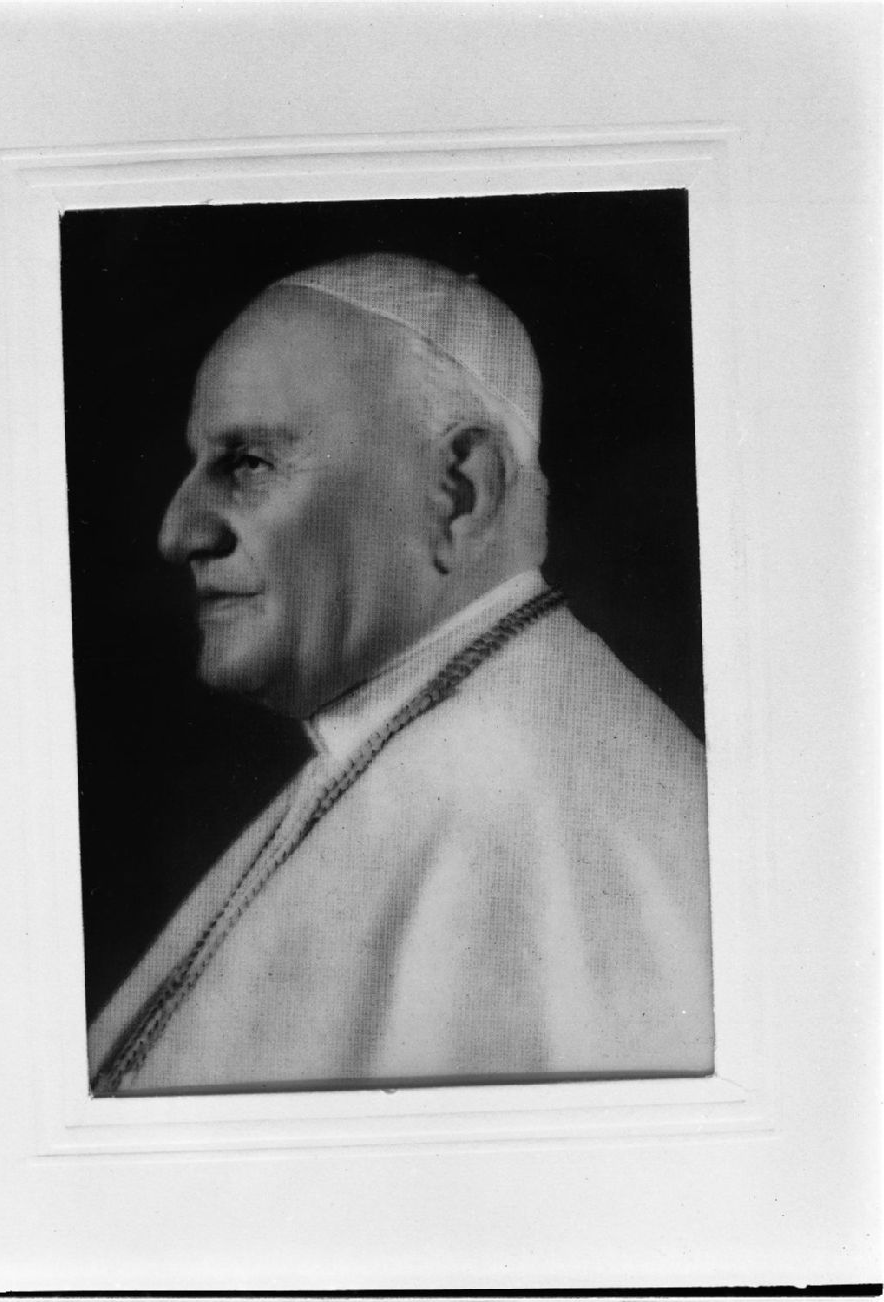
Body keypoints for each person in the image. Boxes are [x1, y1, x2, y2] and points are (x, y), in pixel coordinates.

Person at [88, 253, 714, 1095]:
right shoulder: (413, 738)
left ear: (458, 493)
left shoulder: (520, 797)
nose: (178, 533)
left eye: (249, 463)